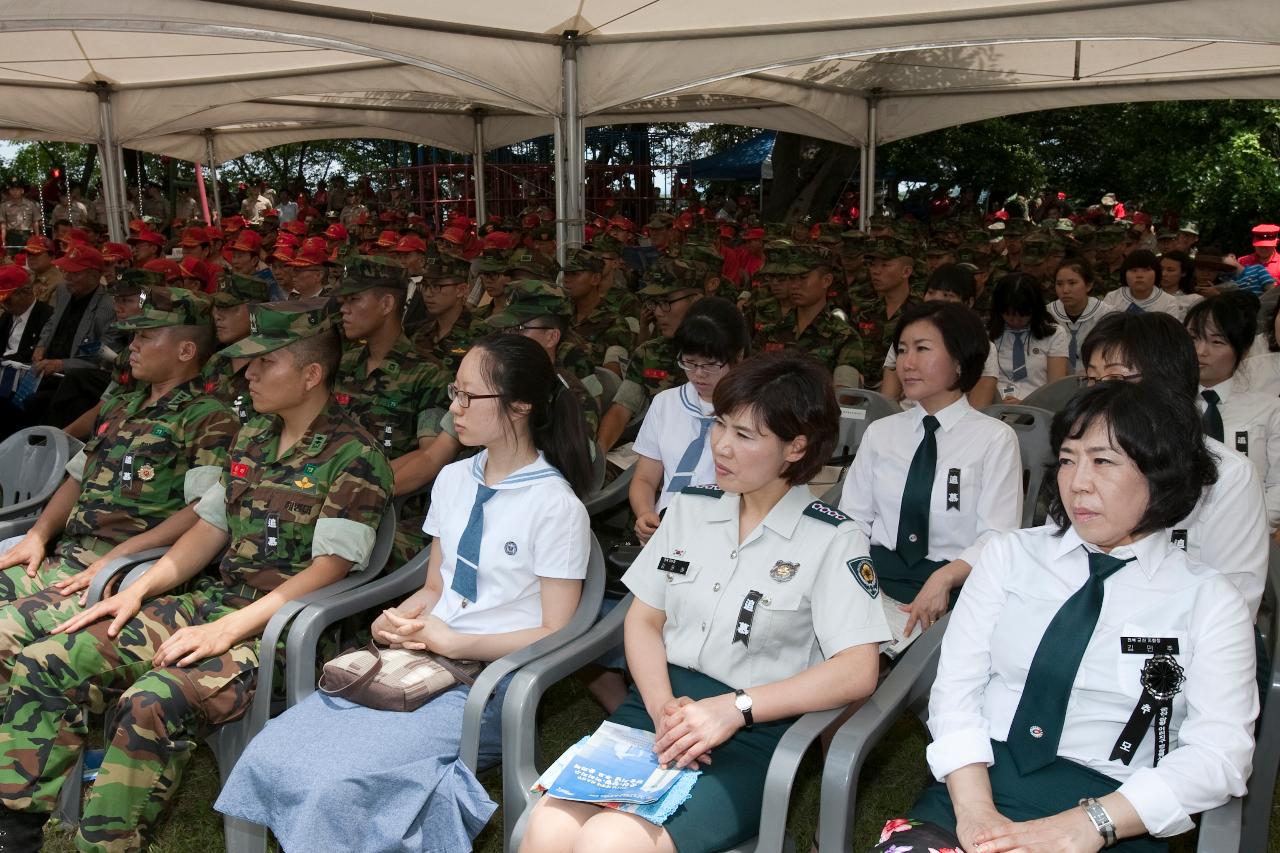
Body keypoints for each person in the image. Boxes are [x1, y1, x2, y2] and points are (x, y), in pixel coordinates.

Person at [0, 298, 392, 851]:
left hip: (283, 632)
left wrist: (229, 630)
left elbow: (330, 569)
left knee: (150, 702)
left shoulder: (353, 455)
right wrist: (135, 589)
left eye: (265, 363)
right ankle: (14, 830)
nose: (248, 372)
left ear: (311, 374)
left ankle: (107, 842)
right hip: (207, 603)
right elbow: (208, 531)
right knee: (51, 661)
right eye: (248, 361)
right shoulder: (254, 437)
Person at [215, 333, 592, 852]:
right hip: (416, 664)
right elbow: (437, 586)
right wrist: (397, 619)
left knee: (337, 785)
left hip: (487, 684)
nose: (453, 409)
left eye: (467, 397)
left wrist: (456, 644)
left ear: (520, 406)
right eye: (452, 393)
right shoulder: (456, 478)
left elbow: (556, 629)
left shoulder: (555, 505)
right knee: (273, 753)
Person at [520, 350, 890, 853]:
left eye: (745, 436)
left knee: (611, 840)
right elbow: (645, 620)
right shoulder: (690, 510)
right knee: (546, 830)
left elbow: (857, 671)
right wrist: (660, 707)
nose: (721, 447)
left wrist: (735, 709)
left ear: (796, 447)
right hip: (657, 713)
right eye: (720, 425)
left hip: (752, 734)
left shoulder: (833, 539)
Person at [874, 381, 1256, 853]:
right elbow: (956, 692)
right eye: (1069, 459)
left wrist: (1090, 824)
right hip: (980, 787)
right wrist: (976, 815)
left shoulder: (1210, 600)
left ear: (1163, 475)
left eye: (1103, 461)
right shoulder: (1009, 557)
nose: (1077, 482)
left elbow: (1221, 755)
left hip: (1116, 812)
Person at [0, 287, 237, 689]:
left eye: (146, 337)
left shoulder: (208, 419)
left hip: (126, 570)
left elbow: (201, 511)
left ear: (184, 351)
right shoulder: (121, 404)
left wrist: (123, 557)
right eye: (133, 337)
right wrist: (38, 535)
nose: (133, 347)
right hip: (67, 556)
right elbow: (78, 476)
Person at [840, 301, 1022, 648]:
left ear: (959, 360)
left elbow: (997, 537)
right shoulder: (882, 432)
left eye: (923, 349)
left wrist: (945, 578)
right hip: (873, 574)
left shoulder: (994, 439)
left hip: (951, 584)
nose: (907, 363)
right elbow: (854, 520)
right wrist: (855, 585)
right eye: (903, 350)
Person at [1079, 312, 1268, 619]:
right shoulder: (1079, 463)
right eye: (1090, 379)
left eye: (1114, 378)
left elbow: (1235, 603)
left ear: (1166, 380)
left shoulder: (1229, 476)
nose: (1098, 393)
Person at [632, 297, 750, 544]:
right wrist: (645, 513)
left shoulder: (754, 410)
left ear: (738, 356)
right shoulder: (666, 403)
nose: (698, 374)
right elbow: (645, 477)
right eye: (689, 362)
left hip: (727, 533)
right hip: (667, 528)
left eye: (710, 365)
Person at [1184, 292, 1280, 530]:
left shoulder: (1269, 409)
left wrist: (1248, 529)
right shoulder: (1166, 406)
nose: (1200, 351)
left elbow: (1278, 484)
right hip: (1178, 536)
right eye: (1193, 338)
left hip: (1246, 532)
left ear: (1243, 349)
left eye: (1217, 342)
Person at [596, 257, 705, 452]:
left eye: (667, 302)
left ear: (697, 300)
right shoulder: (649, 353)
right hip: (655, 451)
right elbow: (622, 408)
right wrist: (599, 454)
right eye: (654, 303)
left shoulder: (725, 355)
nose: (658, 312)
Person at [878, 264, 999, 408]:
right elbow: (887, 401)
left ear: (969, 302)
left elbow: (978, 409)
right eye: (931, 292)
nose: (936, 300)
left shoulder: (981, 346)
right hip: (904, 420)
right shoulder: (905, 340)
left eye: (947, 295)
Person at [753, 244, 865, 388]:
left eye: (802, 278)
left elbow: (845, 395)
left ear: (826, 281)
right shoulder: (769, 333)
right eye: (792, 278)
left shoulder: (844, 337)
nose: (795, 285)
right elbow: (751, 381)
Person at [853, 236, 921, 389]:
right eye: (872, 265)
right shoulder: (865, 312)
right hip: (862, 394)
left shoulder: (922, 314)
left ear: (906, 271)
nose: (875, 272)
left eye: (885, 265)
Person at [988, 272, 1060, 402]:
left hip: (1038, 409)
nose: (1015, 321)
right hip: (995, 407)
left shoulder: (1055, 333)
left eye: (1022, 315)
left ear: (1035, 309)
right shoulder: (986, 334)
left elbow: (1055, 389)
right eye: (1008, 314)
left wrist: (1025, 405)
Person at [1044, 258, 1117, 380]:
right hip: (1056, 382)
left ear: (1088, 286)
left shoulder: (1107, 314)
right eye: (1059, 284)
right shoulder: (1047, 313)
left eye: (1072, 283)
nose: (1065, 290)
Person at [0, 266, 52, 365]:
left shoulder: (48, 317)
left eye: (7, 299)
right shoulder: (7, 316)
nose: (3, 304)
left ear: (27, 291)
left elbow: (32, 356)